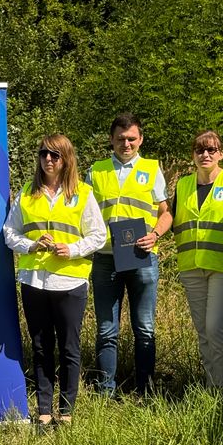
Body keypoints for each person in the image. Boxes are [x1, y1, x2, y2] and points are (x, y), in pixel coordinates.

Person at [3, 133, 107, 424]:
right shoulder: (27, 192)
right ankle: (44, 410)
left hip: (70, 283)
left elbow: (98, 235)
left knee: (69, 348)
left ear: (66, 159)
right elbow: (10, 232)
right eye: (43, 154)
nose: (48, 159)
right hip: (34, 280)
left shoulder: (82, 193)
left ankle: (67, 410)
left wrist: (72, 249)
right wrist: (31, 245)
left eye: (55, 155)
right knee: (41, 347)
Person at [87, 113, 171, 396]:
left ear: (141, 139)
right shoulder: (96, 171)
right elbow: (84, 213)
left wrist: (155, 234)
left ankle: (145, 390)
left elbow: (166, 212)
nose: (126, 144)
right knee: (106, 330)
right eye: (121, 139)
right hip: (106, 257)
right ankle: (105, 392)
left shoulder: (152, 168)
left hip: (142, 257)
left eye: (132, 139)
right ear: (111, 139)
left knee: (144, 328)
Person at [173, 130, 223, 390]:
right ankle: (211, 388)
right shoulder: (183, 185)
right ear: (193, 155)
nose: (205, 154)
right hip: (192, 267)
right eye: (199, 150)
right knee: (204, 332)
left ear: (221, 154)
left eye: (211, 150)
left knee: (216, 329)